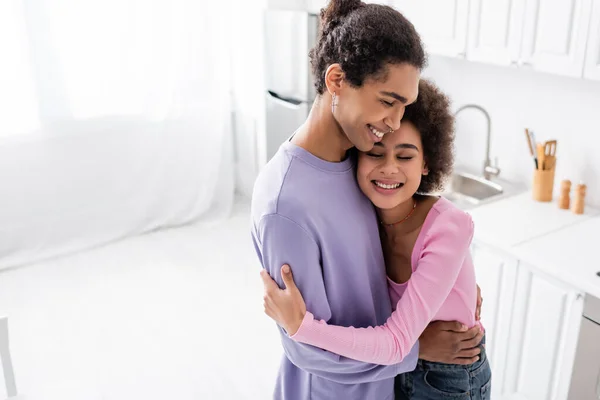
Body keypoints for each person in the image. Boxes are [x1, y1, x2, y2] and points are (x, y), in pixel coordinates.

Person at [251, 1, 483, 399]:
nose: (393, 124)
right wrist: (418, 348)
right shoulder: (285, 205)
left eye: (404, 107)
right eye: (388, 101)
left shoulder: (356, 161)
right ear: (337, 80)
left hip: (385, 385)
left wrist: (449, 293)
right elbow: (304, 345)